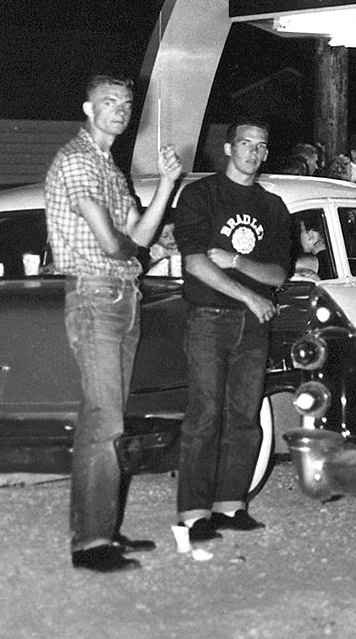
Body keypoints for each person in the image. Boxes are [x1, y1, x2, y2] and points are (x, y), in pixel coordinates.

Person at [44, 72, 182, 573]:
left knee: (103, 419)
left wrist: (167, 184)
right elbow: (114, 242)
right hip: (96, 294)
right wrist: (138, 251)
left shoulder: (110, 169)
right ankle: (92, 545)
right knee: (106, 421)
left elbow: (142, 232)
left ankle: (99, 530)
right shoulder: (78, 160)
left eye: (125, 103)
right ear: (88, 109)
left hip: (122, 297)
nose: (119, 109)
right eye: (108, 101)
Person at [172, 119, 295, 544]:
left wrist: (238, 261)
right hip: (209, 318)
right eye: (245, 143)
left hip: (254, 324)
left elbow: (278, 272)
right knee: (205, 415)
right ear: (228, 148)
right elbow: (195, 263)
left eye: (261, 146)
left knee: (245, 417)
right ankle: (192, 513)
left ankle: (230, 505)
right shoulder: (200, 195)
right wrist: (249, 296)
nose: (253, 153)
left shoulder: (274, 207)